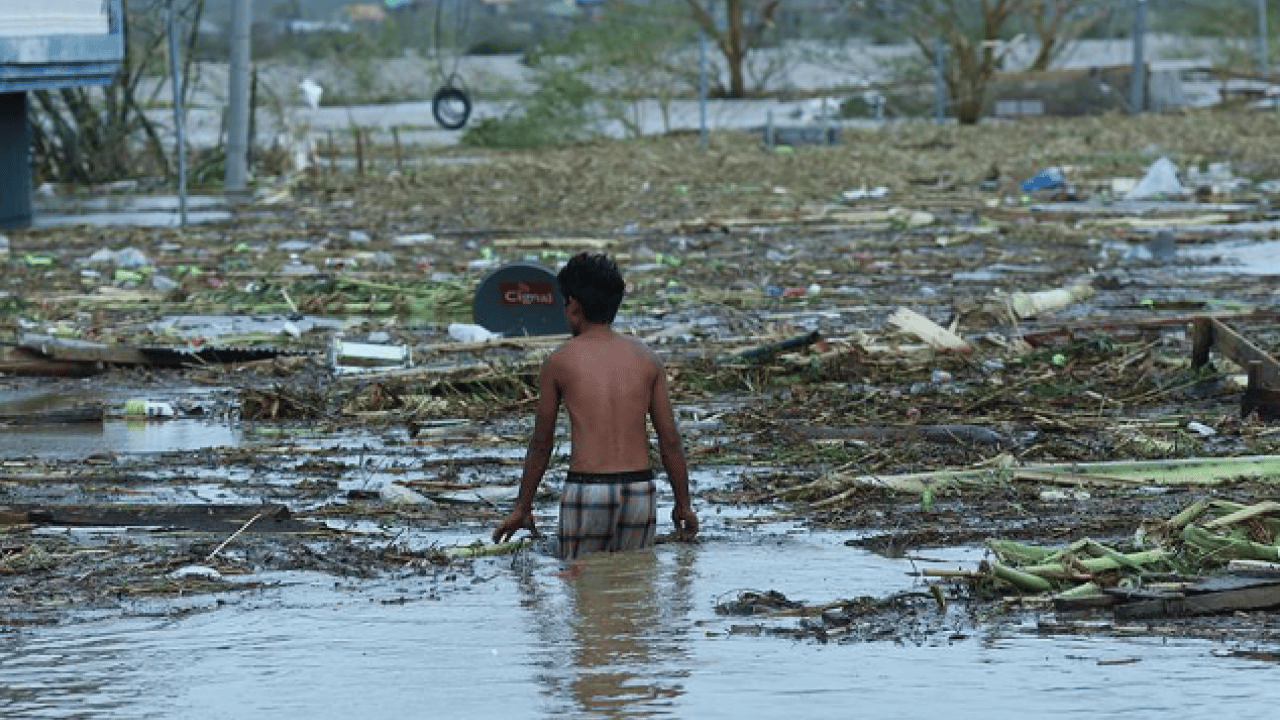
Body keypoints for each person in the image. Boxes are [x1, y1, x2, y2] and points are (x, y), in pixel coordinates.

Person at [492, 252, 698, 559]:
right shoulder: (647, 359)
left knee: (584, 591)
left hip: (588, 491)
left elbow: (541, 443)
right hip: (640, 491)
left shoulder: (559, 361)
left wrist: (522, 507)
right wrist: (683, 505)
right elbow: (669, 441)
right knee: (634, 587)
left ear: (574, 306)